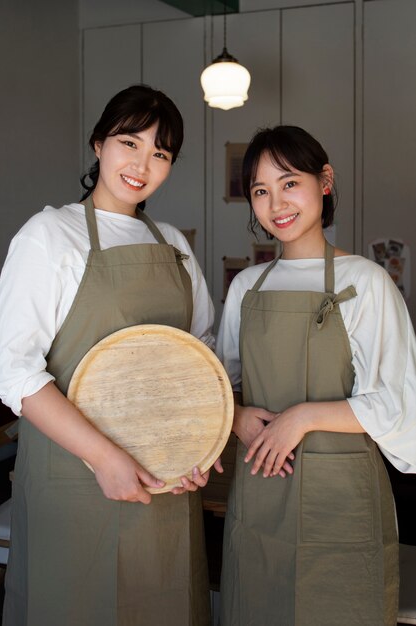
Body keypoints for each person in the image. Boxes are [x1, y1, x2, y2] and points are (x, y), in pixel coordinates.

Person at [0, 84, 218, 626]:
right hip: (74, 481)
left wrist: (198, 447)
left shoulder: (174, 244)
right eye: (130, 142)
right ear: (99, 143)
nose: (142, 163)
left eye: (161, 153)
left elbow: (202, 358)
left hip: (163, 484)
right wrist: (104, 458)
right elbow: (12, 369)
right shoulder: (50, 235)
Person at [217, 125, 416, 626]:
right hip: (261, 490)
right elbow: (220, 386)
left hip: (342, 500)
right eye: (260, 191)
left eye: (289, 182)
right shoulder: (245, 287)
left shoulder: (365, 281)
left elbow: (400, 404)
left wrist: (302, 417)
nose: (276, 203)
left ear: (324, 181)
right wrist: (236, 416)